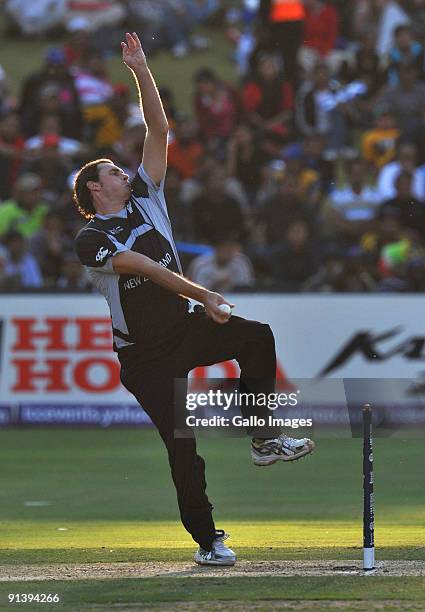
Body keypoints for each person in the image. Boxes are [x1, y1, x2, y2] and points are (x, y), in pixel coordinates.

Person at [74, 32, 315, 567]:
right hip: (144, 356)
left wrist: (140, 69)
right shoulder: (90, 239)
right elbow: (145, 269)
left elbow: (160, 128)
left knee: (256, 336)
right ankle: (209, 541)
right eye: (112, 170)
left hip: (183, 331)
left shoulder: (146, 197)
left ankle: (263, 436)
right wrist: (206, 293)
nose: (121, 169)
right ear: (94, 189)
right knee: (184, 448)